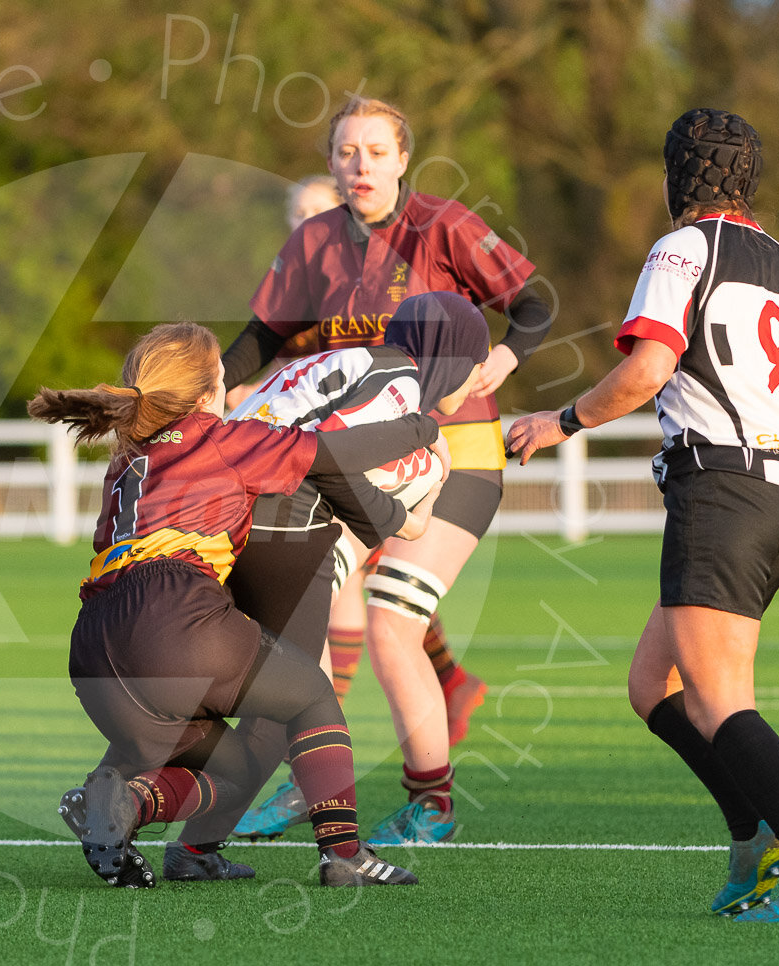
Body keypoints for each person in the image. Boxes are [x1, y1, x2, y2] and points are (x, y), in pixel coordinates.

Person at [507, 109, 779, 922]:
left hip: (723, 492)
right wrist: (776, 468)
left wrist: (559, 422)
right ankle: (754, 840)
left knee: (719, 699)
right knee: (653, 685)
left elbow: (648, 371)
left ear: (678, 177)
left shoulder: (683, 248)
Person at [221, 95, 555, 845]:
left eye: (376, 151)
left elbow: (533, 308)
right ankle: (308, 778)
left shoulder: (444, 225)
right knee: (291, 615)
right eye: (346, 152)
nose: (360, 165)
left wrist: (503, 359)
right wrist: (208, 383)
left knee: (392, 623)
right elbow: (262, 336)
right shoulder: (313, 240)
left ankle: (431, 802)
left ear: (403, 159)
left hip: (454, 452)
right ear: (330, 161)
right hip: (359, 461)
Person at [30, 321, 439, 888]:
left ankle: (125, 803)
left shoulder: (128, 457)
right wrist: (424, 426)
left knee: (235, 773)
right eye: (223, 379)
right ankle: (345, 856)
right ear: (204, 395)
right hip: (171, 613)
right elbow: (333, 453)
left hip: (94, 649)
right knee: (312, 696)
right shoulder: (220, 437)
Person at [176, 292, 489, 856]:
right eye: (475, 364)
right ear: (452, 357)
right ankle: (162, 817)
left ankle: (165, 814)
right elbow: (330, 456)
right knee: (294, 702)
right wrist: (405, 514)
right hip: (270, 528)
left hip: (213, 522)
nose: (477, 380)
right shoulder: (398, 385)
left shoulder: (338, 362)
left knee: (269, 694)